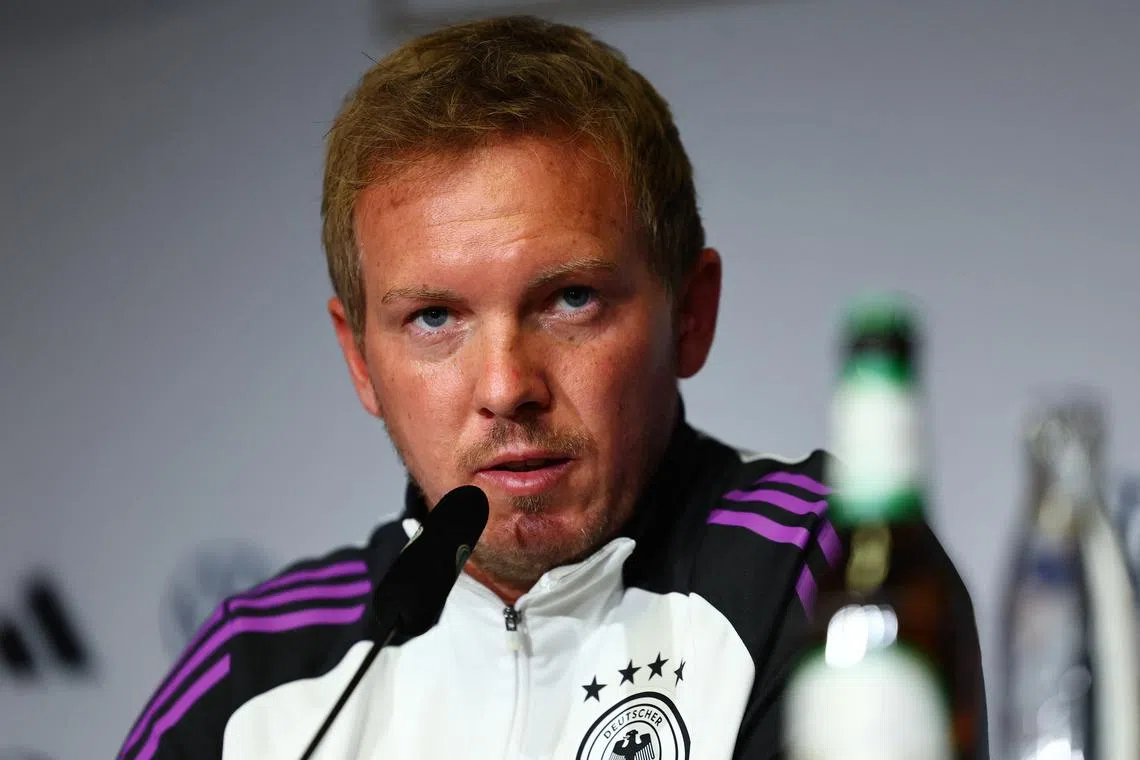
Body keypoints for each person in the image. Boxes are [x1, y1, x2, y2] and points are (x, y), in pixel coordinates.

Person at [116, 15, 985, 760]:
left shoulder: (826, 563)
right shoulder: (252, 674)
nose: (506, 387)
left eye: (571, 300)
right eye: (433, 318)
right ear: (359, 359)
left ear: (690, 314)